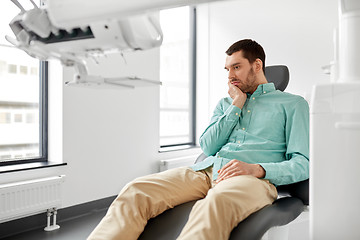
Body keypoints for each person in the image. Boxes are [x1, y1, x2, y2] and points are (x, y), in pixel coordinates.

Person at [87, 39, 309, 240]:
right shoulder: (227, 103)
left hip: (252, 180)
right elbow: (209, 146)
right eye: (228, 69)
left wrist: (257, 169)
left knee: (215, 203)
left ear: (257, 66)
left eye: (237, 67)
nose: (230, 75)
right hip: (206, 171)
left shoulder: (293, 105)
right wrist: (236, 105)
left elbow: (302, 163)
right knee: (136, 190)